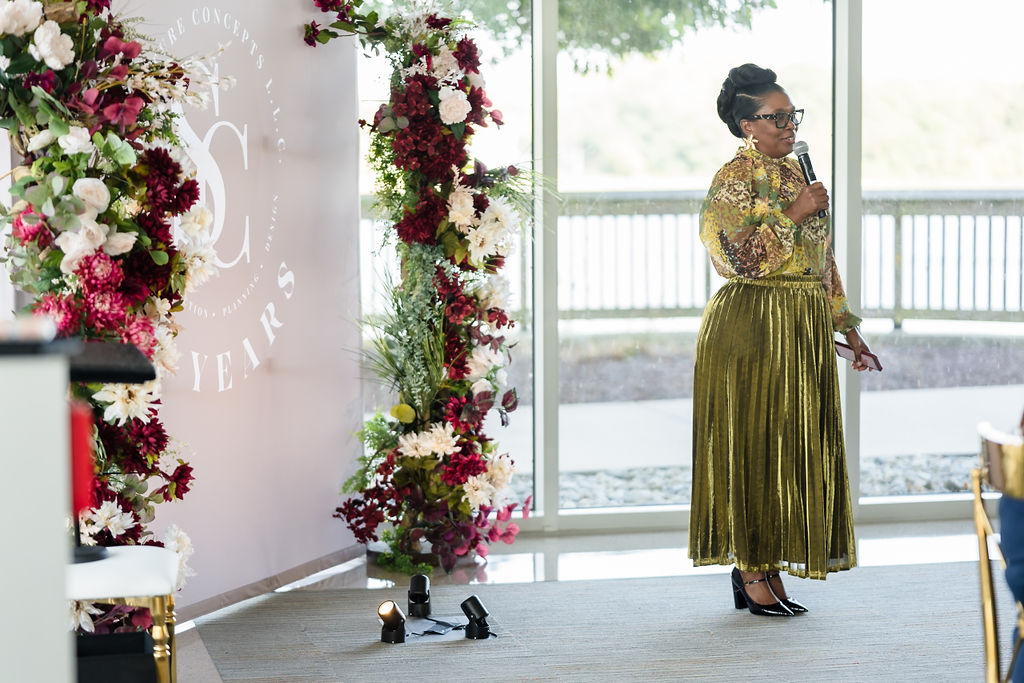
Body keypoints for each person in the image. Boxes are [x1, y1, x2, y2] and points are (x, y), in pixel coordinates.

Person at [687, 63, 874, 617]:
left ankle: (765, 566)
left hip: (802, 323)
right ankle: (751, 570)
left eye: (793, 116)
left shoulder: (797, 174)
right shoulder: (733, 179)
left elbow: (822, 260)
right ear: (748, 125)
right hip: (751, 323)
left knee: (790, 450)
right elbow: (737, 259)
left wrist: (848, 329)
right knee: (755, 448)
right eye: (778, 117)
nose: (790, 126)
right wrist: (795, 212)